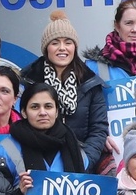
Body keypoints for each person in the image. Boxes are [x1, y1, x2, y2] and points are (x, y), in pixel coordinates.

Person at [19, 10, 108, 168]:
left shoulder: (90, 82)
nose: (62, 48)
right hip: (40, 161)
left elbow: (98, 128)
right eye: (55, 43)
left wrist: (84, 160)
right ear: (46, 48)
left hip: (81, 163)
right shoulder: (28, 79)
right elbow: (21, 122)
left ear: (74, 46)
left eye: (68, 42)